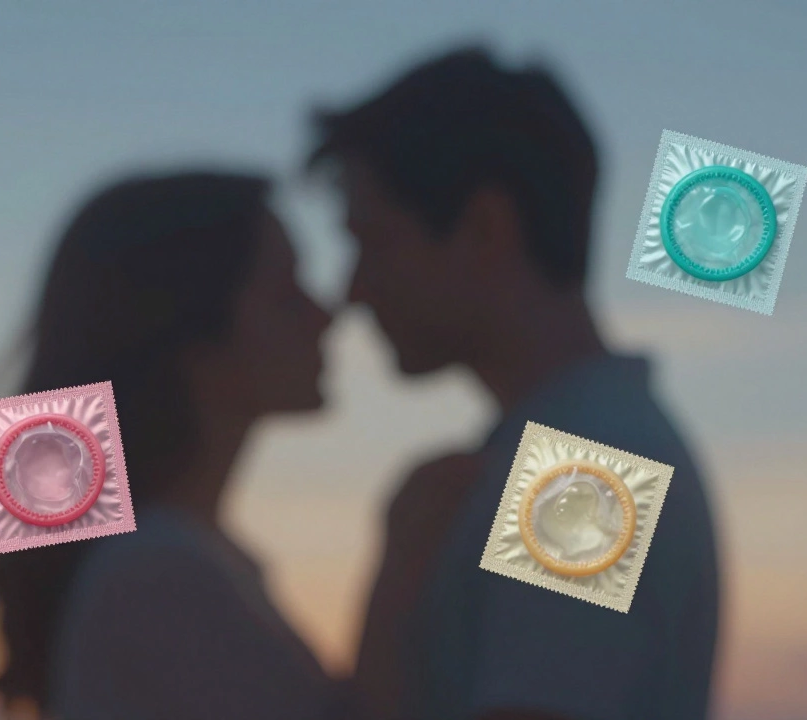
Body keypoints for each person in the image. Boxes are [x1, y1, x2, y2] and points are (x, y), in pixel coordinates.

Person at [309, 47, 721, 720]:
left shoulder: (587, 463)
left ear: (483, 229)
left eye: (373, 241)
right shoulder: (577, 447)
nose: (353, 290)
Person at [0, 171, 347, 719]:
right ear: (192, 335)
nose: (326, 315)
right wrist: (402, 577)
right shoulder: (157, 571)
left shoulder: (164, 560)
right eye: (287, 294)